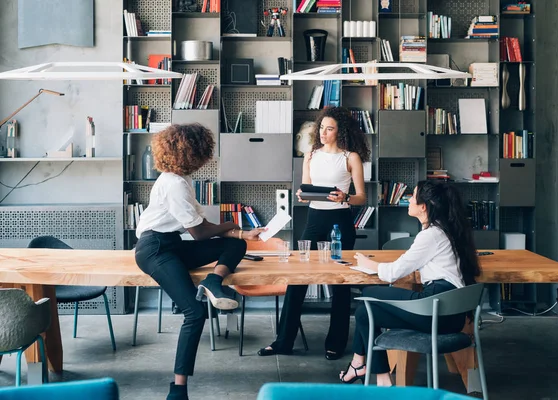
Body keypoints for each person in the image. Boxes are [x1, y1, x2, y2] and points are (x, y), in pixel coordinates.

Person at [134, 124, 265, 400]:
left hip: (172, 245)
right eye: (204, 151)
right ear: (192, 153)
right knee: (194, 313)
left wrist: (242, 233)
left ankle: (213, 281)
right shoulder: (173, 184)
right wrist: (231, 222)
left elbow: (201, 227)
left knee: (236, 244)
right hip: (155, 249)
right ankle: (178, 390)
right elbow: (200, 232)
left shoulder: (182, 181)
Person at [339, 180, 480, 386]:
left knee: (367, 294)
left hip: (435, 310)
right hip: (452, 315)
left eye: (412, 196)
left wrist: (369, 263)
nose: (409, 200)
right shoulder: (448, 230)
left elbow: (393, 274)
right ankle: (367, 369)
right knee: (364, 311)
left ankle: (373, 373)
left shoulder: (431, 235)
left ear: (423, 206)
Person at [257, 106, 371, 360]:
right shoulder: (311, 155)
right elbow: (306, 191)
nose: (323, 132)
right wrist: (302, 194)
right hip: (314, 218)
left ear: (340, 132)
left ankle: (336, 343)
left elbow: (362, 197)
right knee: (297, 280)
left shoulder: (350, 157)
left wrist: (346, 197)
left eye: (329, 129)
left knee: (339, 285)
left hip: (341, 220)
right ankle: (283, 341)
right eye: (321, 127)